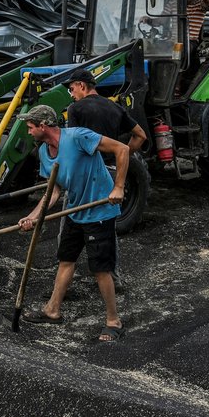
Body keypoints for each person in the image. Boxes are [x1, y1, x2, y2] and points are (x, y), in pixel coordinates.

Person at [15, 104, 129, 342]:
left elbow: (122, 149)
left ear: (43, 126)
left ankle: (113, 321)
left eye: (29, 127)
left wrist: (118, 187)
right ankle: (52, 310)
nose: (28, 132)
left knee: (100, 269)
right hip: (75, 212)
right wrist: (33, 217)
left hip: (99, 211)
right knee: (66, 259)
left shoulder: (78, 137)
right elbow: (53, 191)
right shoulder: (45, 153)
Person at [64, 68, 147, 292]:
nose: (71, 94)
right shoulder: (114, 107)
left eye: (71, 88)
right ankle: (113, 276)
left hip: (85, 175)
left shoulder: (76, 108)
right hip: (109, 172)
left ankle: (65, 282)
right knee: (106, 227)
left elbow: (73, 143)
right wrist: (124, 155)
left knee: (71, 225)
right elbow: (141, 135)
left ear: (82, 86)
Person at [140, 0, 209, 93]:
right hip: (172, 41)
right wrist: (149, 20)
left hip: (190, 42)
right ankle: (153, 84)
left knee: (180, 50)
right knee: (149, 47)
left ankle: (175, 86)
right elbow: (161, 20)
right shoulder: (174, 1)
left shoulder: (201, 3)